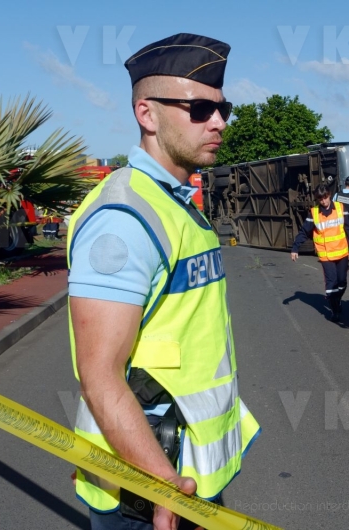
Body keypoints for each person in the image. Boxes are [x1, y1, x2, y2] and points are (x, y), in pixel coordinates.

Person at [66, 33, 260, 530]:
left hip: (182, 479)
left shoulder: (175, 204)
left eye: (223, 109)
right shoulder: (125, 218)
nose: (218, 122)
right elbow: (99, 375)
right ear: (147, 114)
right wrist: (161, 486)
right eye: (198, 109)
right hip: (148, 494)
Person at [291, 184, 349, 321]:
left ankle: (336, 300)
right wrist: (295, 248)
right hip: (326, 255)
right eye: (320, 199)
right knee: (332, 283)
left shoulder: (340, 208)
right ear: (317, 199)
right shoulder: (314, 213)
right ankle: (335, 309)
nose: (324, 201)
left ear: (329, 195)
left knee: (342, 282)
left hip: (342, 252)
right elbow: (304, 231)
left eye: (325, 198)